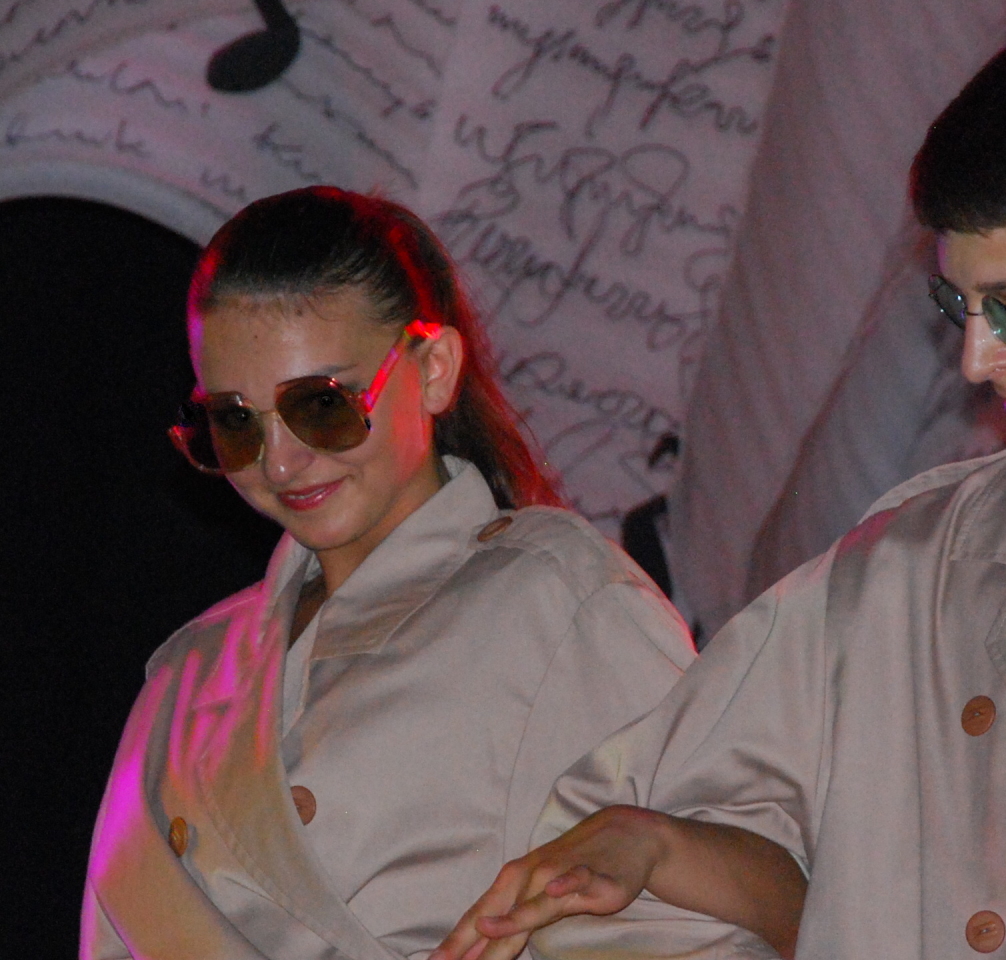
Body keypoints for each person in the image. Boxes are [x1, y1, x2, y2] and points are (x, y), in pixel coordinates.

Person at [434, 19, 1006, 959]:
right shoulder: (913, 565)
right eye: (959, 307)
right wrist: (662, 848)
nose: (976, 359)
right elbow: (671, 838)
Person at [79, 187, 696, 959]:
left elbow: (703, 917)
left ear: (434, 369)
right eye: (235, 421)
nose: (280, 462)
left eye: (320, 406)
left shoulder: (561, 599)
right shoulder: (188, 676)